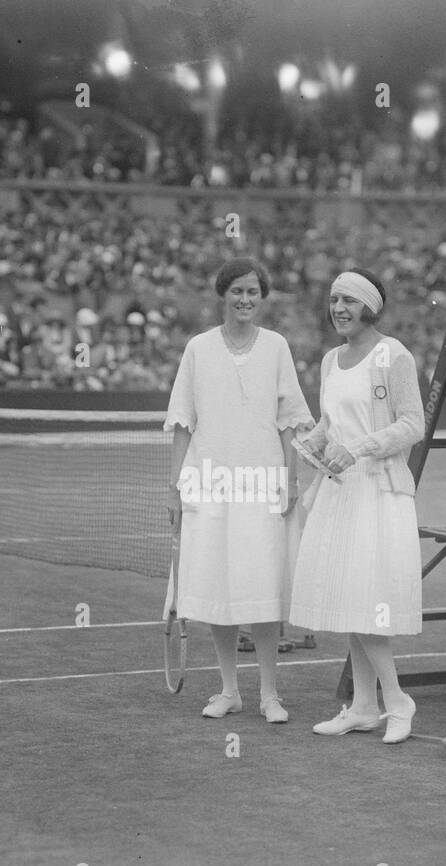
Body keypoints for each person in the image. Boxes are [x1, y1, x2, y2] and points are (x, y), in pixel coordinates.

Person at [164, 257, 312, 723]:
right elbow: (183, 423)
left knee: (263, 590)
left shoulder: (277, 348)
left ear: (262, 298)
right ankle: (230, 690)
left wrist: (290, 478)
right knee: (217, 590)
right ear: (222, 295)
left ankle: (269, 694)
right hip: (208, 485)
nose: (245, 299)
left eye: (252, 292)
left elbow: (291, 421)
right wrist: (176, 487)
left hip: (263, 484)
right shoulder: (198, 349)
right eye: (237, 291)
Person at [290, 268, 424, 744]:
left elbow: (413, 424)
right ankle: (365, 707)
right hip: (340, 490)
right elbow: (331, 421)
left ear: (369, 307)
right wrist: (313, 444)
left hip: (380, 491)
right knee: (349, 600)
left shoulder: (395, 356)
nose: (339, 309)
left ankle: (396, 699)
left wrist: (360, 447)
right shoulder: (330, 360)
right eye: (334, 301)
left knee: (369, 602)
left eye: (348, 301)